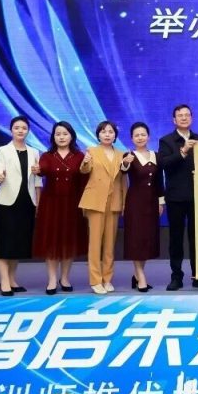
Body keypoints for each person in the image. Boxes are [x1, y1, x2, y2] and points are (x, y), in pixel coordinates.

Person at [158, 104, 198, 291]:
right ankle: (176, 276)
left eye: (187, 115)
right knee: (176, 238)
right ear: (174, 120)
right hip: (175, 197)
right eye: (180, 115)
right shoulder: (166, 141)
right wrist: (182, 151)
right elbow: (164, 164)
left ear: (192, 118)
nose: (184, 118)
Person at [31, 121, 88, 294]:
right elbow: (41, 170)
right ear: (53, 137)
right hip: (51, 204)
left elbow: (85, 180)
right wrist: (37, 170)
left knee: (68, 240)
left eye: (65, 134)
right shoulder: (47, 156)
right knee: (52, 241)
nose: (61, 137)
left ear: (71, 136)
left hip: (72, 204)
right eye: (58, 134)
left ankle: (65, 278)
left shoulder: (80, 156)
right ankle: (52, 280)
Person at [0, 115, 41, 296]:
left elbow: (37, 179)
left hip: (27, 202)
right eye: (17, 128)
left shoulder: (34, 152)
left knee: (19, 242)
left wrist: (38, 202)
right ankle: (4, 281)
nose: (20, 131)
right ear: (11, 130)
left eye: (24, 128)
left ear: (28, 131)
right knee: (5, 242)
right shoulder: (2, 150)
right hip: (7, 202)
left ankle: (12, 279)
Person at [79, 120, 127, 294]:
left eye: (110, 132)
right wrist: (85, 162)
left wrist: (124, 202)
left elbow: (123, 180)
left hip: (113, 201)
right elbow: (84, 170)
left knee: (109, 244)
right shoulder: (92, 151)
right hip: (95, 201)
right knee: (95, 243)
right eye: (104, 131)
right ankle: (95, 280)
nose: (107, 134)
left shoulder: (121, 154)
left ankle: (107, 278)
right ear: (98, 135)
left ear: (115, 135)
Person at [121, 122, 165, 293]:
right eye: (136, 135)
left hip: (151, 203)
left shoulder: (156, 155)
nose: (140, 138)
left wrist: (161, 202)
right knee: (136, 239)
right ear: (132, 138)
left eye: (143, 134)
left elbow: (159, 181)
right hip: (135, 204)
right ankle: (141, 277)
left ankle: (136, 275)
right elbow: (123, 170)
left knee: (147, 239)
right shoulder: (129, 155)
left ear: (148, 136)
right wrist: (125, 163)